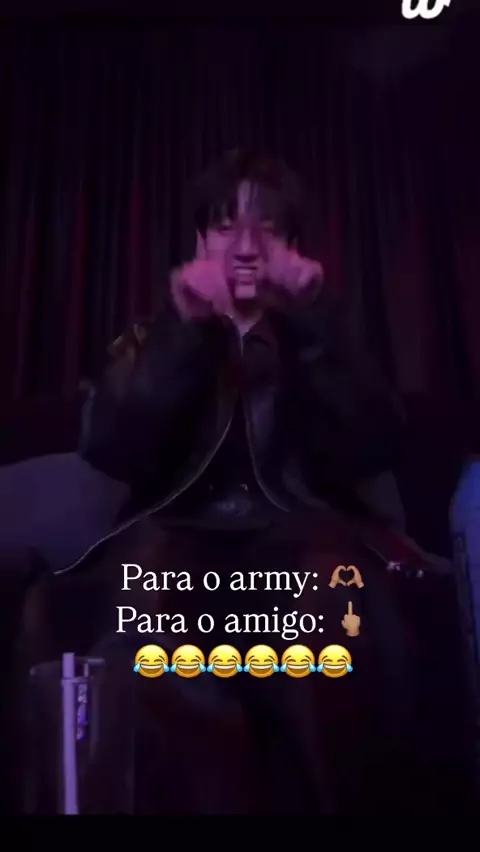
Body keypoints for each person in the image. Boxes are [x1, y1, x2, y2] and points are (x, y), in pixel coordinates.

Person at [14, 150, 475, 814]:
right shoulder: (153, 336)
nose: (246, 247)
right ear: (199, 242)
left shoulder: (320, 334)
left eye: (269, 228)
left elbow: (373, 441)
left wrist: (315, 324)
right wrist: (184, 332)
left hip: (303, 543)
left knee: (331, 620)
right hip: (175, 545)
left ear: (296, 248)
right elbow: (111, 446)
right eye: (225, 226)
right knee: (142, 635)